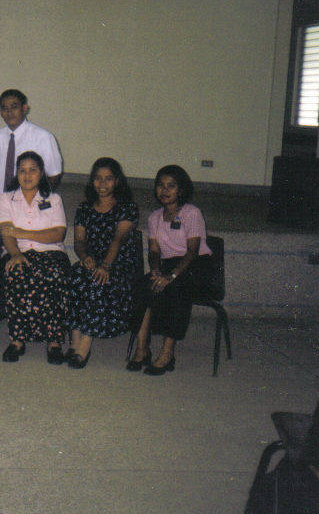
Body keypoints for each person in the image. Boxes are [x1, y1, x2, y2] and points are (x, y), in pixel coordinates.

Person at [129, 165, 214, 375]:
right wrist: (156, 271)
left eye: (171, 186)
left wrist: (172, 276)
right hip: (167, 265)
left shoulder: (191, 213)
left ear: (181, 189)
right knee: (142, 287)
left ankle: (167, 354)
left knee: (176, 290)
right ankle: (142, 349)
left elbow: (192, 251)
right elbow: (154, 250)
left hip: (194, 266)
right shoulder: (155, 217)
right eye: (160, 185)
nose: (164, 190)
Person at [0, 151, 69, 364]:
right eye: (22, 171)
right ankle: (17, 340)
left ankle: (54, 342)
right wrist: (16, 253)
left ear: (41, 173)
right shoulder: (5, 198)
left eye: (33, 170)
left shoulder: (53, 199)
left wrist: (23, 234)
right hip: (17, 251)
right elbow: (6, 232)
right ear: (16, 174)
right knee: (17, 273)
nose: (27, 175)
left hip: (51, 252)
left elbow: (58, 234)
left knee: (53, 275)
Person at [66, 157, 139, 369]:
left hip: (118, 263)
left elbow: (118, 239)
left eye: (108, 179)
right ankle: (75, 339)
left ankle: (84, 345)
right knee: (75, 274)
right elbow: (79, 242)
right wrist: (85, 257)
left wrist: (105, 265)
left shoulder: (127, 207)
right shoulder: (84, 207)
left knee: (96, 280)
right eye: (97, 179)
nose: (102, 184)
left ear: (117, 181)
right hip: (94, 260)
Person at [0, 89, 62, 197]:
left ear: (25, 108)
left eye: (14, 107)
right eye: (4, 108)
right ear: (0, 112)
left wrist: (38, 198)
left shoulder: (43, 137)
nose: (9, 112)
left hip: (32, 202)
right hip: (4, 203)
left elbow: (54, 174)